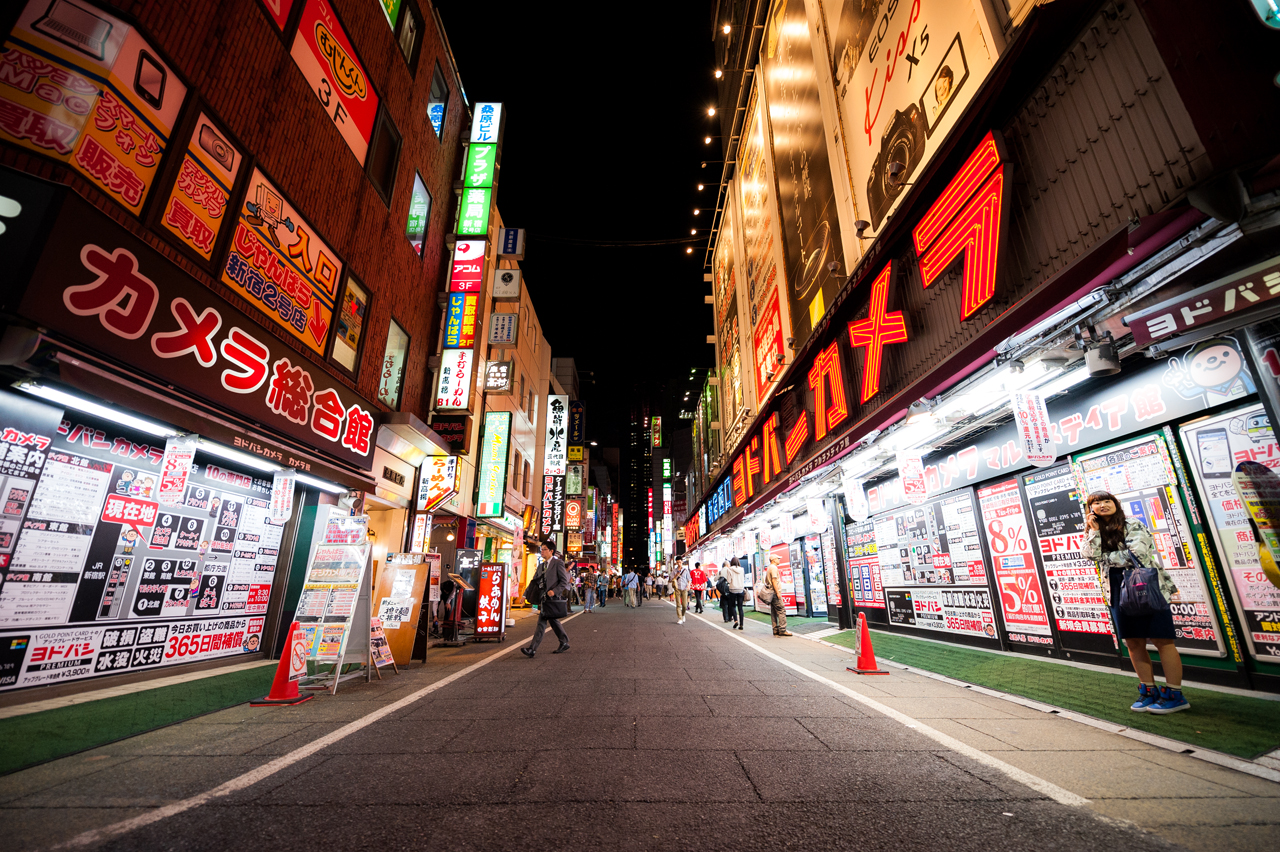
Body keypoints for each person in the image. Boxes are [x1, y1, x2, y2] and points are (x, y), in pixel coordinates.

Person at [1083, 491, 1188, 713]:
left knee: (1163, 640)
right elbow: (1089, 555)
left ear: (1115, 504)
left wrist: (1105, 557)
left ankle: (1175, 694)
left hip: (1147, 587)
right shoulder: (1095, 530)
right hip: (1116, 591)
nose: (1103, 505)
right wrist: (1094, 532)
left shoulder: (1132, 523)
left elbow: (1135, 555)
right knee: (1133, 642)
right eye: (1097, 503)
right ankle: (1148, 691)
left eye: (1107, 501)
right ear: (1091, 509)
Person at [522, 540, 571, 657]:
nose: (542, 551)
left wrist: (554, 591)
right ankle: (564, 641)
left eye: (544, 549)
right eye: (541, 549)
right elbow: (533, 582)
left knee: (542, 623)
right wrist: (524, 595)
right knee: (551, 620)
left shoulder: (558, 563)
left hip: (552, 598)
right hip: (543, 598)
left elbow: (564, 581)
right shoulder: (541, 565)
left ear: (551, 551)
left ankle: (532, 649)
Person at [764, 554, 792, 637]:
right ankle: (782, 629)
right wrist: (778, 592)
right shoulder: (774, 568)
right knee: (781, 610)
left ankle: (775, 629)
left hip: (771, 593)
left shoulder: (769, 568)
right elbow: (774, 580)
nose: (779, 560)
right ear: (774, 560)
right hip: (775, 593)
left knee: (773, 611)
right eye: (778, 558)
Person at [718, 557, 745, 629]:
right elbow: (743, 579)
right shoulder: (742, 569)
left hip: (733, 589)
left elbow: (729, 581)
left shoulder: (729, 569)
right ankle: (741, 624)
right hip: (740, 589)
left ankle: (736, 621)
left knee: (733, 606)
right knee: (740, 607)